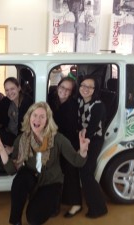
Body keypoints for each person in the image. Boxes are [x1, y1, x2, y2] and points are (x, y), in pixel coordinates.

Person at [0, 102, 90, 225]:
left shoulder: (57, 138)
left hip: (51, 181)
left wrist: (83, 150)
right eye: (34, 115)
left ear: (48, 120)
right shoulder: (22, 139)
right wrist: (1, 151)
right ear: (29, 117)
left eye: (42, 116)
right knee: (20, 180)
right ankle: (15, 221)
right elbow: (11, 170)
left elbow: (77, 162)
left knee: (33, 218)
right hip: (32, 178)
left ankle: (51, 202)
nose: (37, 119)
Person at [65, 74, 108, 219]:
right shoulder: (79, 101)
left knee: (86, 173)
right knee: (73, 167)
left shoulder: (98, 106)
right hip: (82, 137)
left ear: (95, 90)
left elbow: (91, 129)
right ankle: (76, 201)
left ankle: (99, 208)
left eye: (90, 87)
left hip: (93, 140)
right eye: (83, 86)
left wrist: (81, 148)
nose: (86, 89)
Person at [47, 77, 80, 217]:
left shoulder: (72, 106)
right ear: (57, 86)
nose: (64, 91)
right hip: (53, 141)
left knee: (70, 172)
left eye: (68, 90)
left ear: (71, 93)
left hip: (68, 142)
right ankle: (57, 202)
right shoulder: (51, 98)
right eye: (62, 87)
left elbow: (70, 130)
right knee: (56, 173)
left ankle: (76, 203)